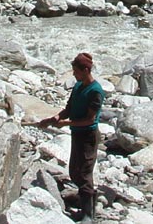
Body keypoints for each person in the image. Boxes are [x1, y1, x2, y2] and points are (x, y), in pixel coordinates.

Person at [39, 52, 104, 223]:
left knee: (84, 173)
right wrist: (56, 118)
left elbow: (90, 119)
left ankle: (89, 214)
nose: (73, 74)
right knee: (74, 171)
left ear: (85, 70)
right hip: (77, 133)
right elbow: (69, 107)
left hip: (88, 136)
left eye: (76, 71)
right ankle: (89, 200)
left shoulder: (95, 91)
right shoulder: (78, 86)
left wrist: (66, 124)